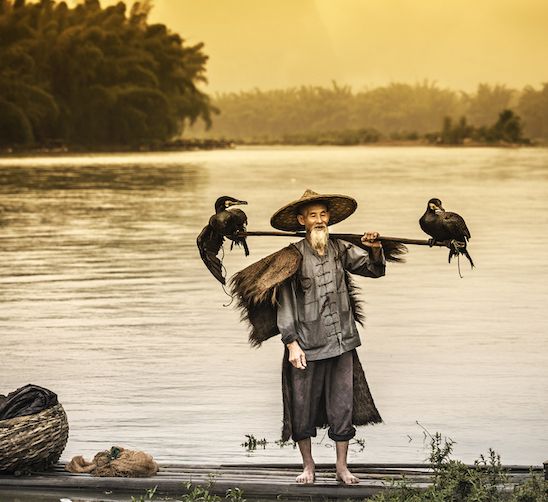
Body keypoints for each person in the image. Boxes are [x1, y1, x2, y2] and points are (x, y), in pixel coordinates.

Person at [230, 189, 385, 485]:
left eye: (323, 215)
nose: (318, 220)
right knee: (302, 408)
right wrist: (291, 344)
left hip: (342, 343)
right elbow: (285, 306)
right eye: (312, 215)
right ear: (302, 220)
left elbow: (373, 270)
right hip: (306, 346)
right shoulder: (292, 257)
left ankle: (342, 468)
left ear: (330, 219)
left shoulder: (341, 249)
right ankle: (308, 467)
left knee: (343, 406)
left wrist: (375, 248)